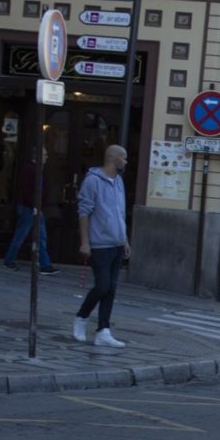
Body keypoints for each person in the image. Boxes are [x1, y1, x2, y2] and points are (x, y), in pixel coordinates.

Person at [74, 145, 131, 348]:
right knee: (102, 286)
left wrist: (124, 239)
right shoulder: (92, 181)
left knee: (112, 288)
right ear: (113, 159)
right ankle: (81, 317)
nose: (125, 162)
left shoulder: (119, 182)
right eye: (123, 158)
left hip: (116, 242)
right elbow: (84, 211)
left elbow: (120, 213)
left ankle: (103, 331)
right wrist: (85, 242)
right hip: (100, 243)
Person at [2, 150, 60, 274]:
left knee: (39, 236)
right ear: (38, 156)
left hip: (34, 207)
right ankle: (10, 260)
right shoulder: (31, 170)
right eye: (45, 154)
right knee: (25, 234)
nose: (47, 157)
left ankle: (44, 264)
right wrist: (34, 205)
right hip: (29, 208)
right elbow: (27, 190)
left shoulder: (37, 170)